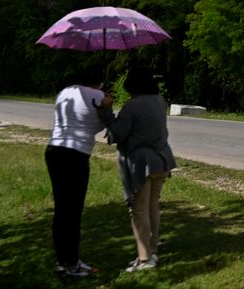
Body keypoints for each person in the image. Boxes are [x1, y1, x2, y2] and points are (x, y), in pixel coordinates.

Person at [98, 67, 177, 273]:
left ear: (131, 85)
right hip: (162, 159)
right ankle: (152, 250)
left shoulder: (132, 106)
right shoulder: (159, 102)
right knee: (152, 206)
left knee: (139, 210)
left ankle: (144, 259)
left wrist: (107, 112)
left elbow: (117, 134)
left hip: (142, 164)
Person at [45, 68, 108, 278]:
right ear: (98, 81)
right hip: (76, 154)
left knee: (62, 209)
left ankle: (63, 261)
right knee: (73, 211)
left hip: (54, 149)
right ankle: (72, 264)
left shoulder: (64, 92)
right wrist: (106, 107)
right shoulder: (98, 95)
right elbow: (104, 126)